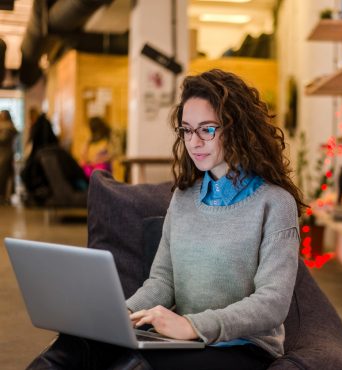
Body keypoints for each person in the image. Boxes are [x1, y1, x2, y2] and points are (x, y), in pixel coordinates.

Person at [28, 69, 305, 369]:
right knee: (72, 347)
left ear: (236, 129)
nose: (194, 142)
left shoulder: (275, 203)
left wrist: (192, 326)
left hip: (243, 347)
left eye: (206, 129)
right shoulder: (184, 197)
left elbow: (273, 303)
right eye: (186, 130)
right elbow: (162, 281)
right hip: (184, 338)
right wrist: (119, 314)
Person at [0, 110, 18, 205]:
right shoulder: (7, 127)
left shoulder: (8, 127)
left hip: (5, 155)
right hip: (5, 154)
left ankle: (3, 195)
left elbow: (3, 139)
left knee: (3, 176)